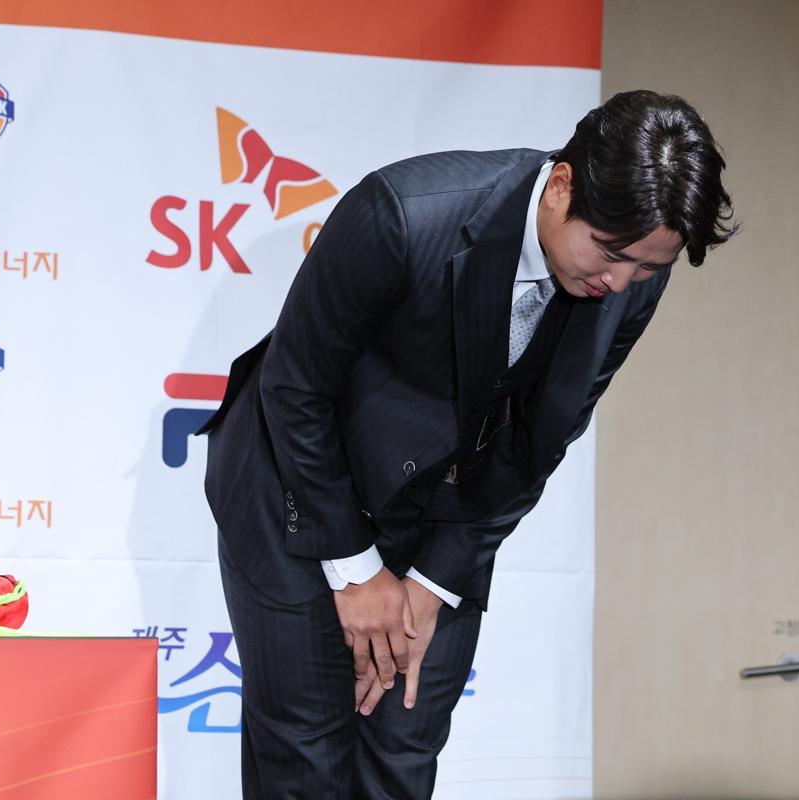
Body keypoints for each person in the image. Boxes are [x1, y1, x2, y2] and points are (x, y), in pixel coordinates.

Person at [198, 89, 736, 799]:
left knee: (404, 754)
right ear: (563, 185)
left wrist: (433, 579)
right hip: (298, 490)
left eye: (647, 268)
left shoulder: (632, 277)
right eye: (612, 255)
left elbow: (543, 437)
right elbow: (296, 389)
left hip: (441, 516)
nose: (620, 283)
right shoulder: (403, 214)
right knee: (308, 763)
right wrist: (355, 570)